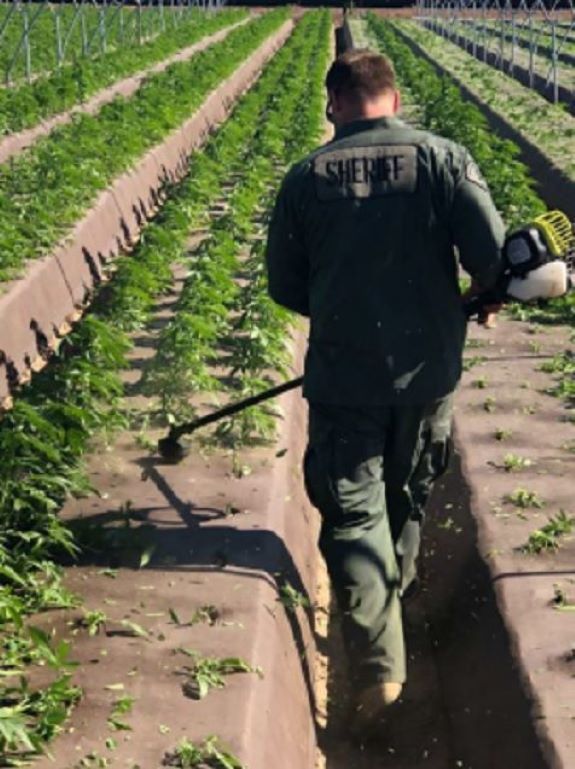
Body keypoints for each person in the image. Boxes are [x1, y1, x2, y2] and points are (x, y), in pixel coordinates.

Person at [264, 48, 504, 736]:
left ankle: (379, 668)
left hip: (344, 378)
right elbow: (487, 256)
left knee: (352, 509)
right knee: (406, 495)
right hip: (427, 374)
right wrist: (476, 293)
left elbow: (285, 286)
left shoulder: (304, 179)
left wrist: (344, 299)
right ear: (393, 100)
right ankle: (392, 609)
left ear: (334, 104)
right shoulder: (442, 160)